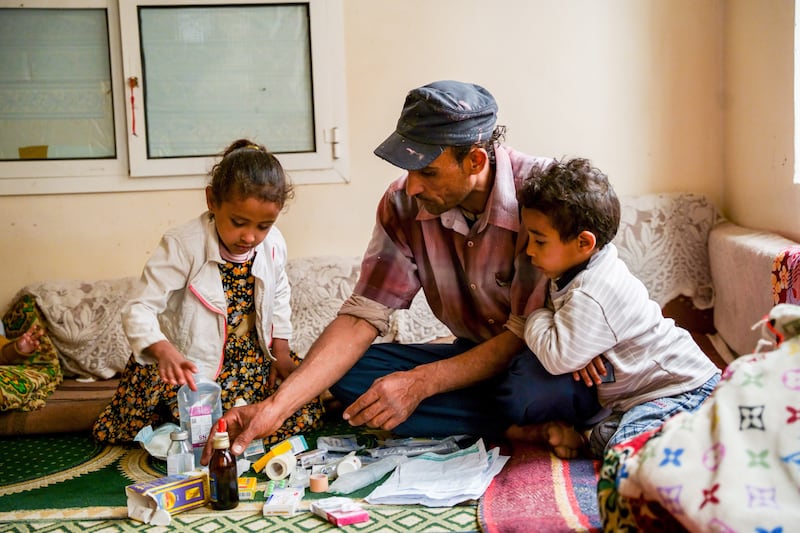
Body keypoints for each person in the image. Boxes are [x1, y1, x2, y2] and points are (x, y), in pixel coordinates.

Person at [202, 81, 602, 464]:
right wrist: (275, 409)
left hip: (540, 360)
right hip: (471, 356)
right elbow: (363, 316)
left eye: (427, 171)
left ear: (476, 160)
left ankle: (513, 416)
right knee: (349, 377)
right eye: (407, 169)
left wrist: (423, 383)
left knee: (527, 389)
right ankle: (518, 425)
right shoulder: (401, 205)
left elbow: (541, 324)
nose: (411, 187)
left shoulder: (544, 194)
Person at [92, 139, 323, 444]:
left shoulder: (273, 244)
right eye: (238, 222)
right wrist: (163, 351)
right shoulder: (182, 245)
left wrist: (279, 352)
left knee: (301, 405)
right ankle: (178, 432)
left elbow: (279, 293)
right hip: (188, 359)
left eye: (264, 225)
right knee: (199, 422)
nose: (250, 236)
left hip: (249, 359)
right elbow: (139, 308)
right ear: (212, 200)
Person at [517, 157, 721, 458]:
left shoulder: (594, 291)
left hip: (681, 388)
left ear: (584, 243)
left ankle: (714, 437)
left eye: (539, 241)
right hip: (643, 398)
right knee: (604, 436)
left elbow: (557, 356)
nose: (529, 250)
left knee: (623, 451)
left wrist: (532, 315)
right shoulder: (576, 269)